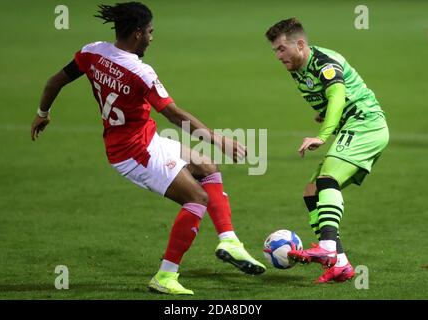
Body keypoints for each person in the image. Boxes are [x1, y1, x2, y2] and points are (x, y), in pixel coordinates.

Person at [31, 2, 265, 295]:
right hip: (134, 153)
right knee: (197, 199)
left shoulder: (92, 52)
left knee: (207, 167)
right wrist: (219, 139)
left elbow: (55, 81)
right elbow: (175, 115)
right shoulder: (141, 72)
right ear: (138, 33)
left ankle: (230, 241)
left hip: (145, 138)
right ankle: (166, 276)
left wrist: (42, 113)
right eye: (151, 32)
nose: (153, 38)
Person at [265, 18, 389, 283]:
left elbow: (337, 96)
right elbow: (329, 101)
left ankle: (328, 248)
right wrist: (326, 116)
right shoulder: (296, 68)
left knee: (327, 179)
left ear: (300, 44)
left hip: (366, 124)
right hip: (353, 126)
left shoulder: (324, 62)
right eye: (275, 50)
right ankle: (341, 264)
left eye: (281, 49)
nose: (277, 56)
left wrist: (322, 136)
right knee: (312, 191)